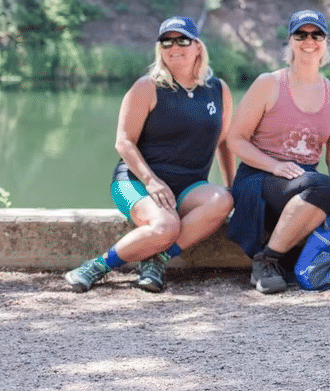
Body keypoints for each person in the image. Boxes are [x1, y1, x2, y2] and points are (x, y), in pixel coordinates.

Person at [64, 16, 235, 293]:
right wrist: (152, 180)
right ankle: (97, 266)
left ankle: (157, 258)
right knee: (165, 226)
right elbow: (124, 142)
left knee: (223, 200)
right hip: (137, 182)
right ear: (160, 48)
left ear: (198, 47)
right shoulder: (147, 87)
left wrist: (232, 185)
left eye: (182, 40)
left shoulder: (218, 89)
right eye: (166, 41)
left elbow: (224, 141)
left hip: (188, 186)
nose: (174, 46)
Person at [226, 10, 330, 294]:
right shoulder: (269, 83)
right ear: (290, 42)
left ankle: (304, 259)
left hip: (304, 184)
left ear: (326, 42)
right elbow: (236, 139)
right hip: (259, 178)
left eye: (316, 35)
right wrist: (274, 165)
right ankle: (266, 261)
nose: (309, 40)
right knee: (321, 186)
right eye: (300, 35)